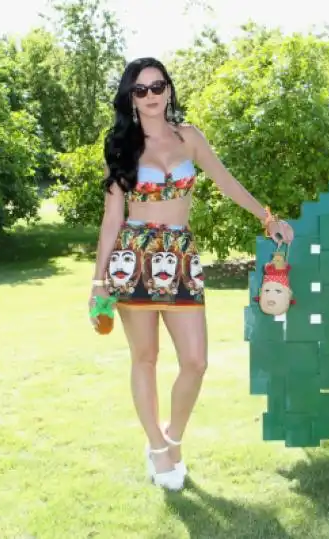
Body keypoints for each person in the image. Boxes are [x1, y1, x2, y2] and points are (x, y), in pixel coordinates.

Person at [87, 57, 294, 491]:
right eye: (140, 90)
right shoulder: (120, 145)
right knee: (145, 358)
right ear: (130, 97)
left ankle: (173, 438)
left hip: (180, 257)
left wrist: (266, 217)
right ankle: (157, 448)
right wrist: (98, 280)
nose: (151, 96)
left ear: (168, 89)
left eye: (157, 86)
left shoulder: (190, 137)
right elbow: (111, 219)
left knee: (196, 361)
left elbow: (226, 180)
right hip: (135, 259)